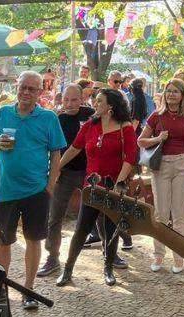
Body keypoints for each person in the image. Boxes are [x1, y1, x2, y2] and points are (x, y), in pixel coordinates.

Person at [0, 71, 67, 309]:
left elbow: (56, 153)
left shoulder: (49, 118)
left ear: (40, 93)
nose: (26, 92)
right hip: (6, 190)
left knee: (33, 240)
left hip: (36, 191)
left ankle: (29, 289)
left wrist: (50, 186)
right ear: (17, 87)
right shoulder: (2, 113)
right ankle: (0, 289)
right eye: (23, 87)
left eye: (32, 89)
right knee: (2, 242)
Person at [55, 89, 137, 287]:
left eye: (99, 101)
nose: (94, 104)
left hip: (113, 188)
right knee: (81, 229)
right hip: (91, 187)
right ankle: (68, 270)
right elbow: (74, 148)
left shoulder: (124, 128)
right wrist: (56, 168)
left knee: (111, 229)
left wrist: (119, 183)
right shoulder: (90, 126)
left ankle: (108, 268)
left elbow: (130, 158)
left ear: (111, 106)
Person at [139, 78, 184, 273]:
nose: (171, 94)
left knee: (179, 213)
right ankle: (158, 255)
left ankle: (178, 257)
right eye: (168, 91)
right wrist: (158, 138)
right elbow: (141, 141)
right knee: (161, 213)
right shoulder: (156, 116)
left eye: (176, 91)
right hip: (161, 165)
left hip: (182, 163)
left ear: (182, 95)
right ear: (164, 94)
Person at [37, 84, 96, 278]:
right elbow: (50, 146)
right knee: (55, 216)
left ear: (82, 99)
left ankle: (110, 254)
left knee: (102, 212)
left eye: (74, 100)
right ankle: (52, 258)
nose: (69, 104)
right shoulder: (58, 118)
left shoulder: (91, 115)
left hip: (89, 172)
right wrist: (54, 171)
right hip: (65, 172)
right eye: (66, 100)